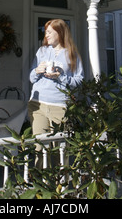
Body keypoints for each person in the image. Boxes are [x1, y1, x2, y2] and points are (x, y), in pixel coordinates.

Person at [28, 19, 84, 167]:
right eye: (45, 32)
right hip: (37, 104)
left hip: (59, 106)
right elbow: (31, 78)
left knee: (60, 149)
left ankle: (60, 186)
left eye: (50, 32)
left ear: (60, 33)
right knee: (39, 147)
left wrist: (61, 77)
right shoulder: (42, 51)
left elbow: (79, 80)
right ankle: (40, 185)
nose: (46, 35)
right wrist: (37, 71)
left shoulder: (71, 54)